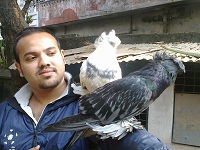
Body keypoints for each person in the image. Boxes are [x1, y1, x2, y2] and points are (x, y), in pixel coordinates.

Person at [0, 27, 171, 150]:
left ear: (62, 56)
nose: (44, 62)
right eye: (31, 57)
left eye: (51, 53)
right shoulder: (4, 113)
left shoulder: (90, 101)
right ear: (19, 68)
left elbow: (131, 139)